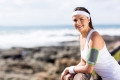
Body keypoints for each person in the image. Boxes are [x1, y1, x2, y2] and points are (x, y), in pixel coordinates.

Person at [61, 7, 120, 80]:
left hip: (115, 76)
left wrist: (69, 69)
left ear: (88, 19)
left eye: (81, 19)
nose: (78, 23)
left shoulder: (94, 37)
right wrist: (72, 72)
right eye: (75, 20)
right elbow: (83, 62)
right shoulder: (82, 36)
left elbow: (89, 69)